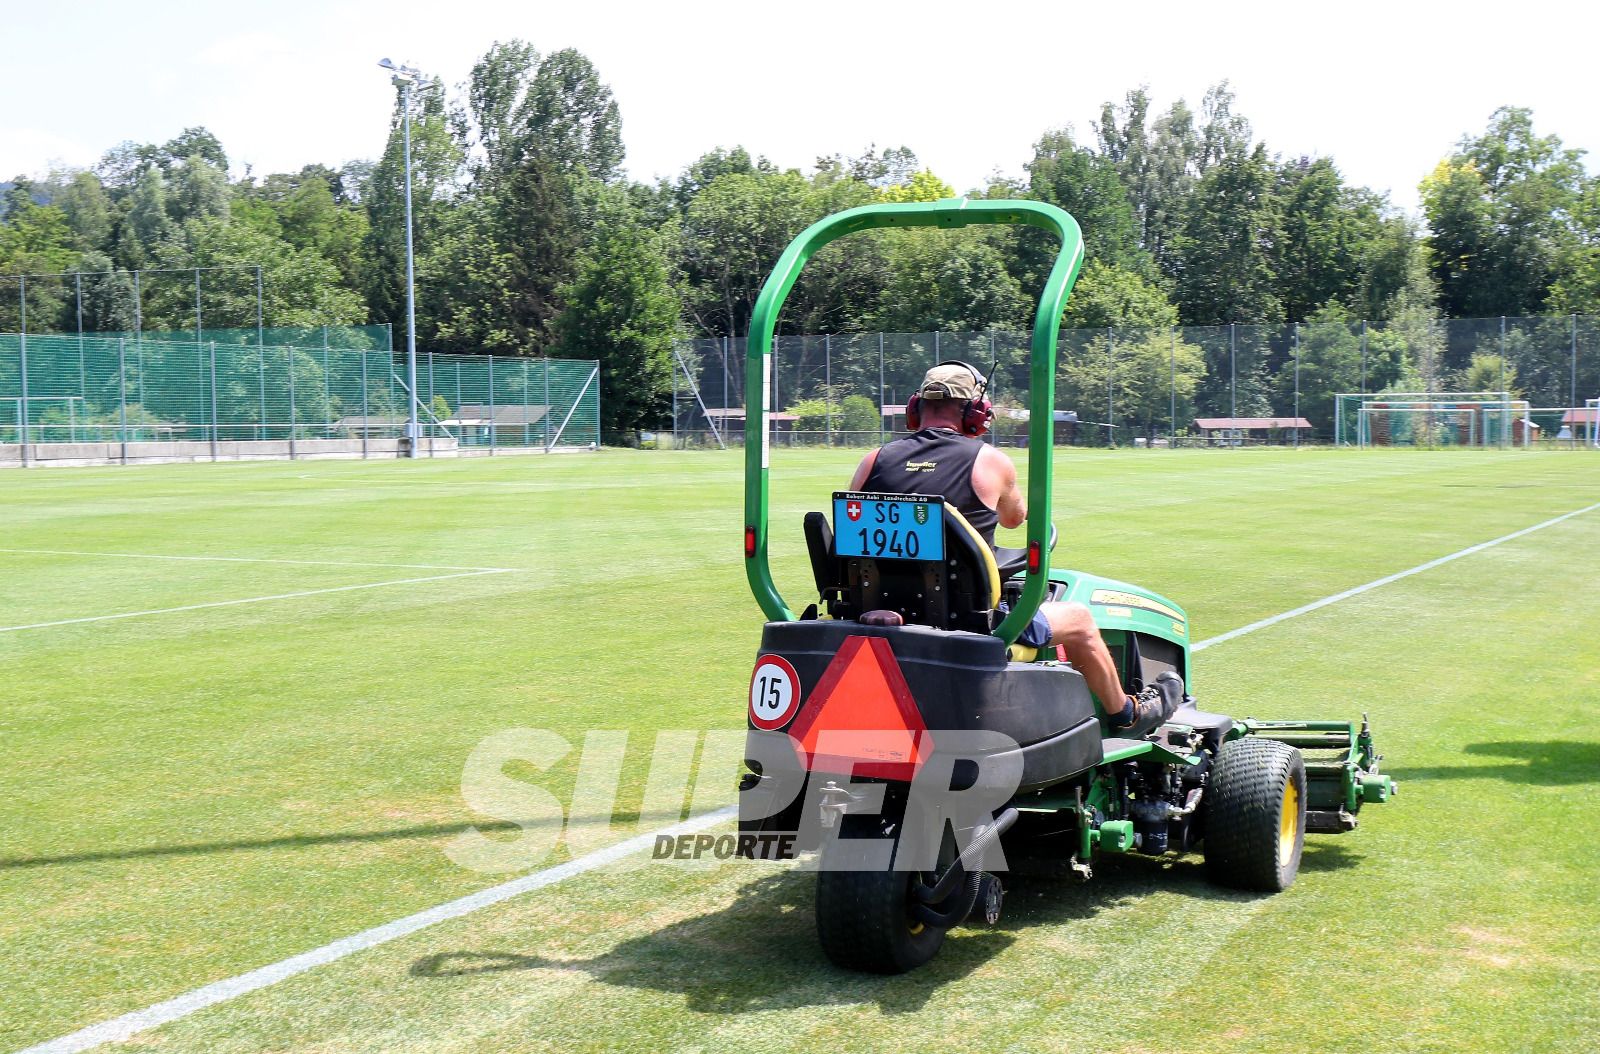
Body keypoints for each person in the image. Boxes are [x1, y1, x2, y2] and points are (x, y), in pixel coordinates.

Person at [848, 361, 1181, 733]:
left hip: (881, 611)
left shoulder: (872, 461)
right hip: (967, 621)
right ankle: (1125, 712)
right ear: (976, 413)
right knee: (1081, 621)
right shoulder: (990, 463)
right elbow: (1013, 518)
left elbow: (853, 531)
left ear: (916, 408)